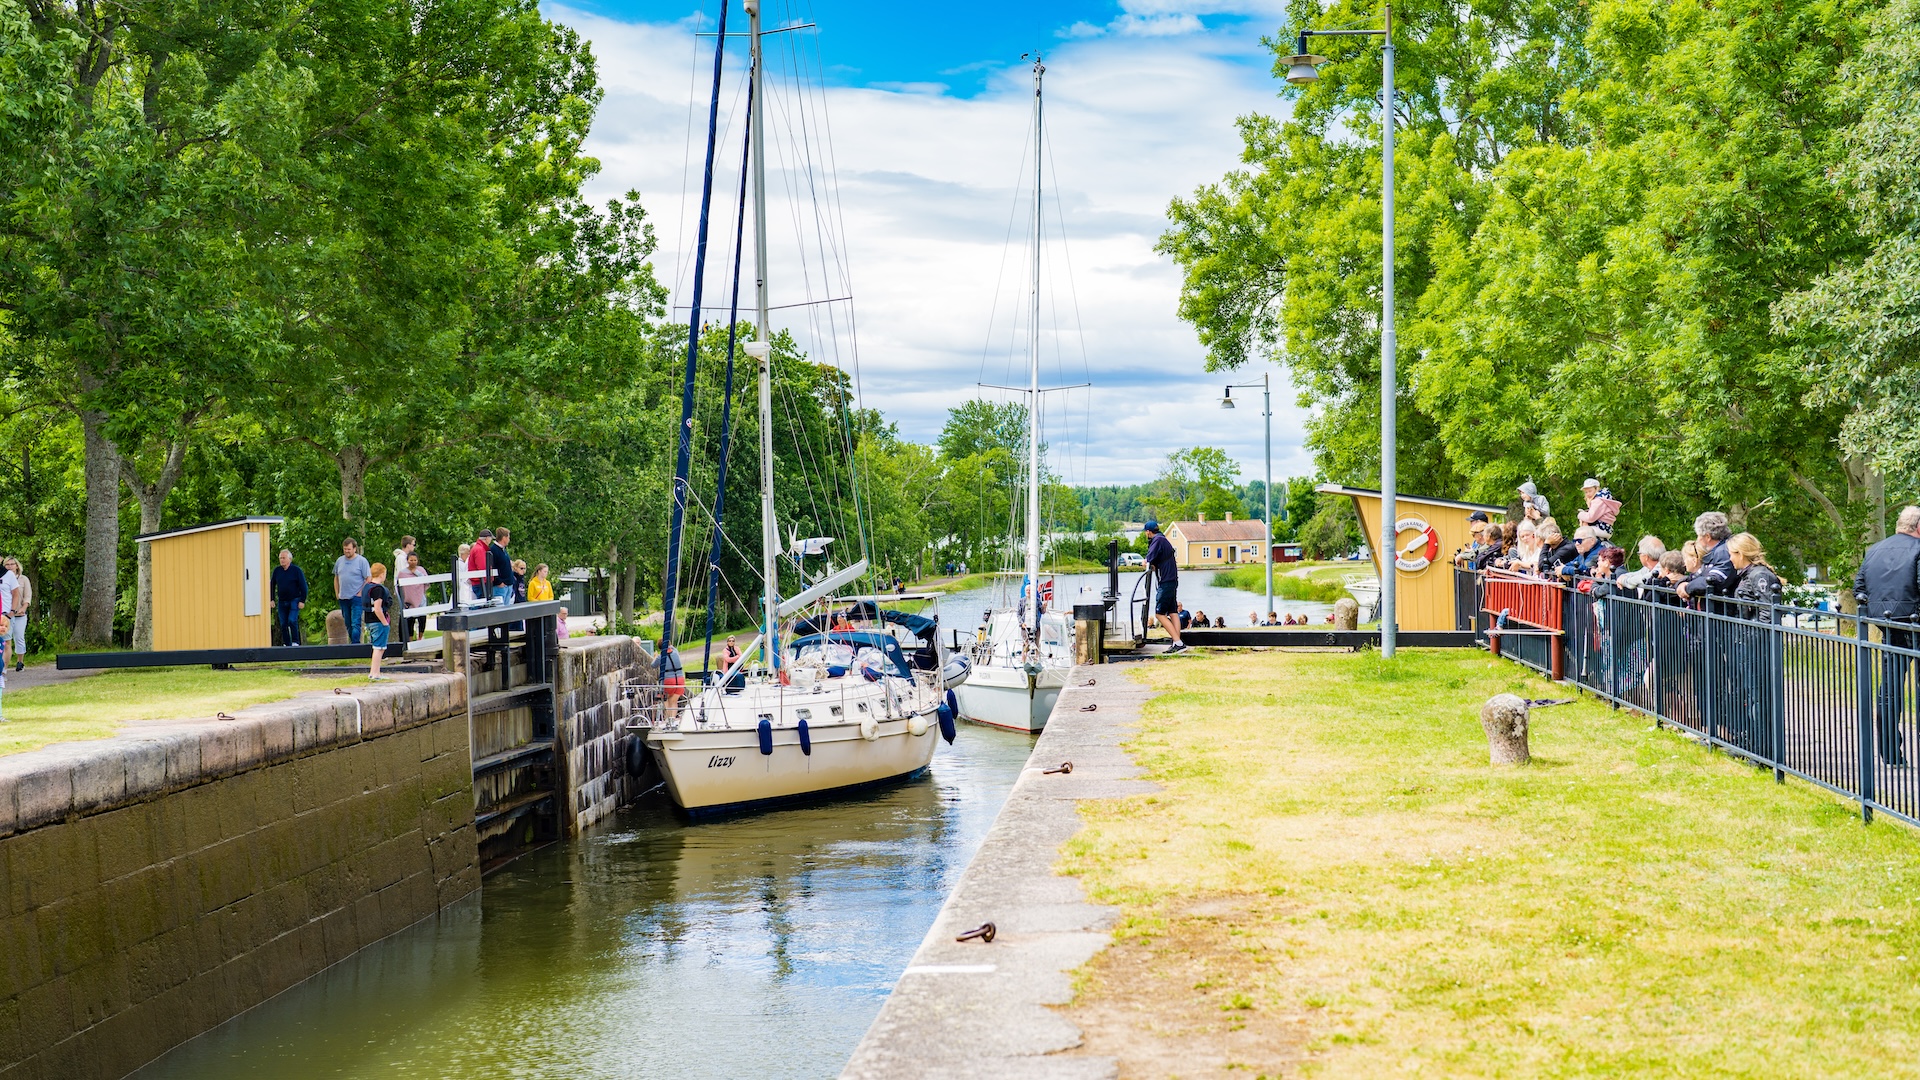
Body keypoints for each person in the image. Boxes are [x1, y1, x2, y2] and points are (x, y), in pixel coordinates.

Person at [1855, 506, 1920, 765]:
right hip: (1915, 623)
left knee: (1890, 689)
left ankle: (1890, 751)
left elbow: (1859, 588)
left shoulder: (1874, 550)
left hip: (1888, 626)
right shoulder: (1918, 549)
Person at [1142, 520, 1185, 653]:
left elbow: (1148, 561)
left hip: (1165, 581)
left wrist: (1145, 563)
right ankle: (1176, 643)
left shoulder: (1157, 541)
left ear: (1148, 532)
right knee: (1173, 612)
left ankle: (1178, 642)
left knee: (1159, 614)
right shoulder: (1163, 539)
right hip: (1172, 580)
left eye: (1145, 532)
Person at [1676, 512, 1735, 607]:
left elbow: (1713, 580)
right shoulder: (1716, 551)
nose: (1698, 540)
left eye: (1699, 535)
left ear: (1708, 537)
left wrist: (1687, 588)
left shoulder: (1723, 552)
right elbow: (1699, 575)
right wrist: (1681, 584)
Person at [333, 538, 371, 644]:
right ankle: (352, 644)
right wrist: (337, 593)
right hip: (343, 597)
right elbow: (336, 577)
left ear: (355, 549)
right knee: (348, 623)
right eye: (345, 549)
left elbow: (368, 578)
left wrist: (360, 593)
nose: (347, 551)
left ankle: (355, 644)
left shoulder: (361, 561)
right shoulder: (339, 561)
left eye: (349, 549)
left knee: (356, 623)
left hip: (356, 597)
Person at [271, 549, 308, 647]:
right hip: (282, 601)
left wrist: (302, 600)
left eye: (284, 558)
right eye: (280, 558)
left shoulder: (296, 571)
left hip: (294, 600)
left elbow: (303, 586)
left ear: (289, 559)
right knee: (283, 623)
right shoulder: (277, 571)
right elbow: (272, 585)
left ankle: (295, 642)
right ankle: (287, 643)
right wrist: (272, 599)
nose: (282, 560)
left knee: (292, 620)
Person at [365, 562, 392, 681]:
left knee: (378, 647)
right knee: (379, 647)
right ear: (381, 575)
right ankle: (375, 673)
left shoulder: (367, 586)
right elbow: (377, 608)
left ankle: (375, 672)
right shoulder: (378, 589)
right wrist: (384, 622)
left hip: (369, 619)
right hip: (378, 621)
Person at [4, 557, 28, 669]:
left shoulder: (23, 579)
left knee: (19, 636)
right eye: (7, 564)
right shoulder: (4, 578)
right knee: (6, 639)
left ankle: (20, 661)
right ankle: (5, 664)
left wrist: (23, 607)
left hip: (19, 614)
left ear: (17, 566)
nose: (10, 566)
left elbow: (27, 596)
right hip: (7, 615)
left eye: (12, 564)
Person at [399, 554, 429, 640]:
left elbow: (426, 581)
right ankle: (410, 640)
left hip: (420, 598)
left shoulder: (421, 570)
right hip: (409, 600)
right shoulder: (402, 573)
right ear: (407, 561)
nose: (413, 562)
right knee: (410, 621)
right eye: (411, 560)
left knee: (422, 618)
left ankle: (420, 637)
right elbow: (400, 586)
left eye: (415, 560)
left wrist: (416, 572)